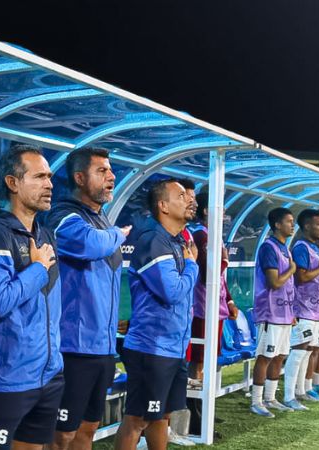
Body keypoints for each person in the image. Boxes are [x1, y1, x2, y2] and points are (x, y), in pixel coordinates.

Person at [0, 144, 63, 450]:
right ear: (12, 183)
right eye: (39, 177)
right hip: (5, 378)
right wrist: (36, 270)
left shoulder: (44, 234)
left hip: (47, 375)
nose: (49, 184)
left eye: (49, 177)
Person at [47, 147, 131, 450]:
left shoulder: (101, 218)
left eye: (110, 171)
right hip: (73, 347)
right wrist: (119, 234)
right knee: (61, 433)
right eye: (102, 171)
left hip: (103, 346)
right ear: (80, 178)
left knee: (89, 427)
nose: (111, 177)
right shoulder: (63, 215)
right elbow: (89, 244)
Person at [114, 179, 198, 450]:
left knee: (162, 416)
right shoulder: (154, 240)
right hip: (152, 348)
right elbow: (172, 292)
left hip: (173, 347)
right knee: (138, 419)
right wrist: (193, 267)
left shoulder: (175, 242)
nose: (190, 200)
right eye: (181, 195)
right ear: (163, 206)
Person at [249, 207, 297, 418]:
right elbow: (274, 281)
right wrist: (292, 270)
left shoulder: (285, 247)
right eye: (288, 221)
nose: (292, 225)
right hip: (270, 312)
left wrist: (292, 311)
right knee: (265, 356)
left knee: (280, 356)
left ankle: (270, 398)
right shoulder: (269, 247)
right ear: (277, 224)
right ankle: (256, 401)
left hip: (285, 312)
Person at [187, 191, 239, 385]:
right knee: (200, 357)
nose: (224, 210)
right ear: (208, 210)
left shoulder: (214, 236)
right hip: (203, 308)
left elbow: (221, 279)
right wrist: (224, 260)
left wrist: (230, 300)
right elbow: (208, 273)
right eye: (220, 206)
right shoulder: (201, 235)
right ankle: (196, 407)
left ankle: (204, 404)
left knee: (210, 356)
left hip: (216, 307)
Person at [282, 209, 319, 410]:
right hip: (304, 308)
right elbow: (300, 277)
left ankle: (301, 390)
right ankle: (289, 396)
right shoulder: (301, 247)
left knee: (308, 351)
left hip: (317, 308)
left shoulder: (315, 248)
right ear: (307, 226)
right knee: (299, 350)